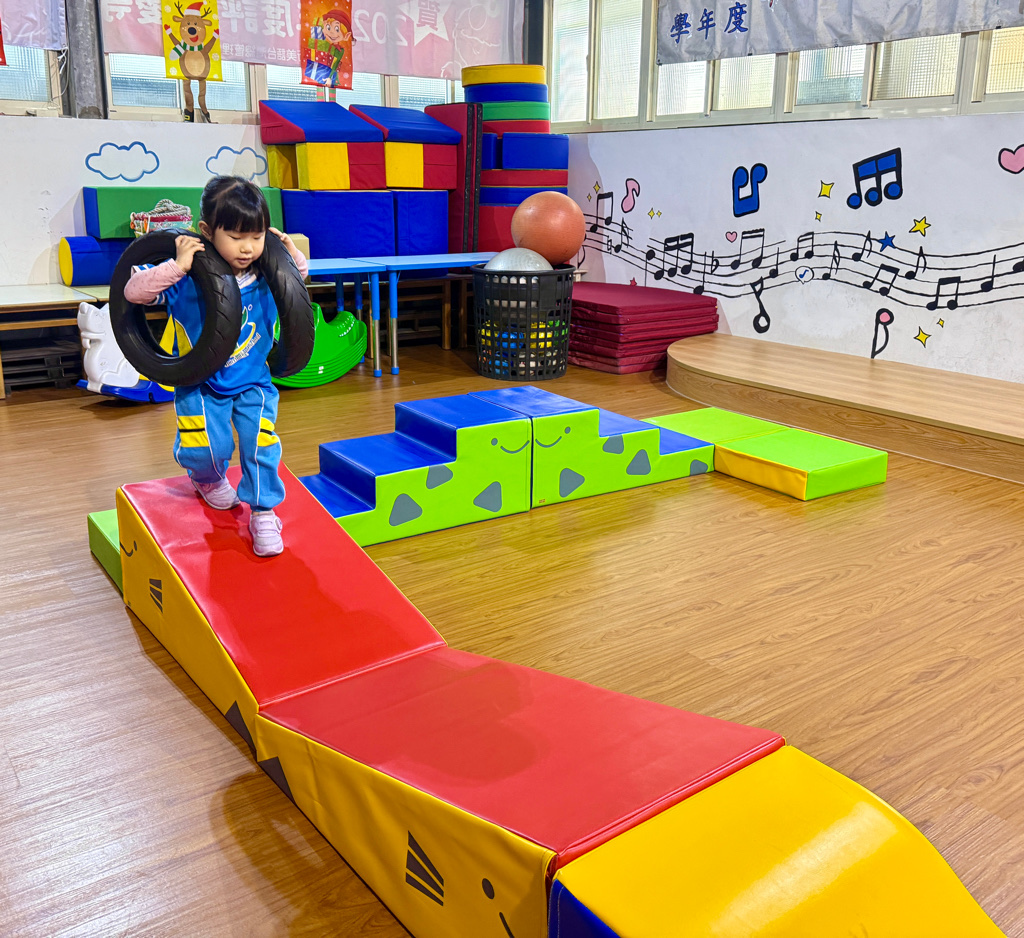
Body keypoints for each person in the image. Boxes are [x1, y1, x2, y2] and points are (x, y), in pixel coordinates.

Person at [124, 176, 309, 557]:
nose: (248, 247)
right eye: (236, 237)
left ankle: (263, 512)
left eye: (257, 236)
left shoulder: (265, 273)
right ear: (207, 232)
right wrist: (177, 266)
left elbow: (297, 288)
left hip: (253, 382)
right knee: (208, 448)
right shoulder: (186, 276)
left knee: (261, 447)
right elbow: (132, 291)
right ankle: (206, 479)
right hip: (200, 383)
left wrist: (292, 259)